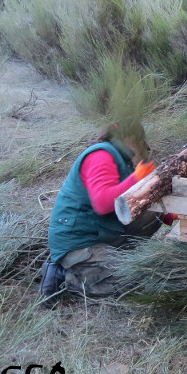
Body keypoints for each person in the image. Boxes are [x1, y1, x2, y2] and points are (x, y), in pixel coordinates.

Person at [39, 121, 168, 304]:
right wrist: (136, 178)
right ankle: (64, 275)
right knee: (134, 282)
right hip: (78, 242)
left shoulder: (122, 158)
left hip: (101, 232)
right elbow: (102, 203)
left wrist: (171, 213)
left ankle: (114, 258)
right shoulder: (101, 155)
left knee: (153, 213)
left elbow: (136, 201)